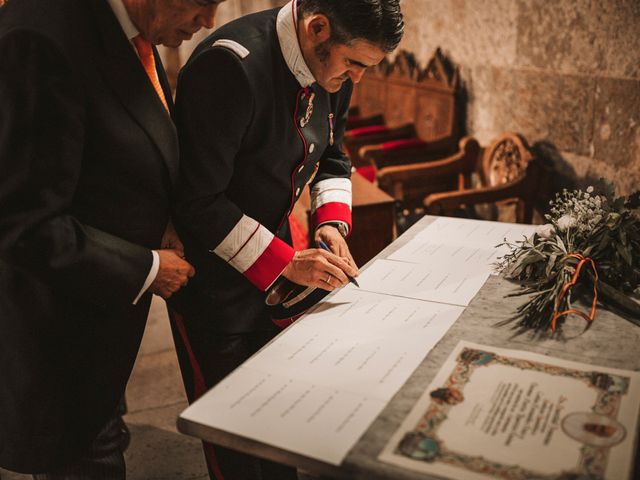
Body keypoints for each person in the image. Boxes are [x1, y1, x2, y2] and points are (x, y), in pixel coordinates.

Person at [171, 1, 404, 478]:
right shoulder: (231, 66)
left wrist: (331, 224)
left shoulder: (332, 67)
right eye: (355, 63)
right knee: (237, 443)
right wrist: (283, 262)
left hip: (278, 269)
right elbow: (197, 201)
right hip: (215, 284)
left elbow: (335, 156)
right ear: (318, 28)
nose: (358, 78)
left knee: (279, 434)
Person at [0, 0, 224, 478]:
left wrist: (166, 213)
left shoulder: (129, 29)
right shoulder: (41, 39)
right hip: (56, 340)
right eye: (204, 3)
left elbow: (117, 147)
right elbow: (24, 223)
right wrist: (148, 268)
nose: (210, 22)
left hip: (100, 323)